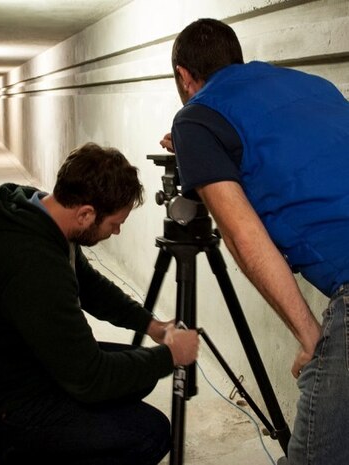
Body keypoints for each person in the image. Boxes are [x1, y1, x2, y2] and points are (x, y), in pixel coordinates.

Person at [160, 18, 349, 465]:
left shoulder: (196, 117)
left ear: (185, 77)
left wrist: (311, 341)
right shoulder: (314, 84)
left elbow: (244, 237)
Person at [0, 142, 200, 465]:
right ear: (85, 214)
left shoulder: (40, 214)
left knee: (139, 373)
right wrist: (170, 356)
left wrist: (150, 325)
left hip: (17, 367)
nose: (118, 231)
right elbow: (90, 379)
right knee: (149, 433)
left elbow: (90, 286)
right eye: (114, 224)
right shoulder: (32, 264)